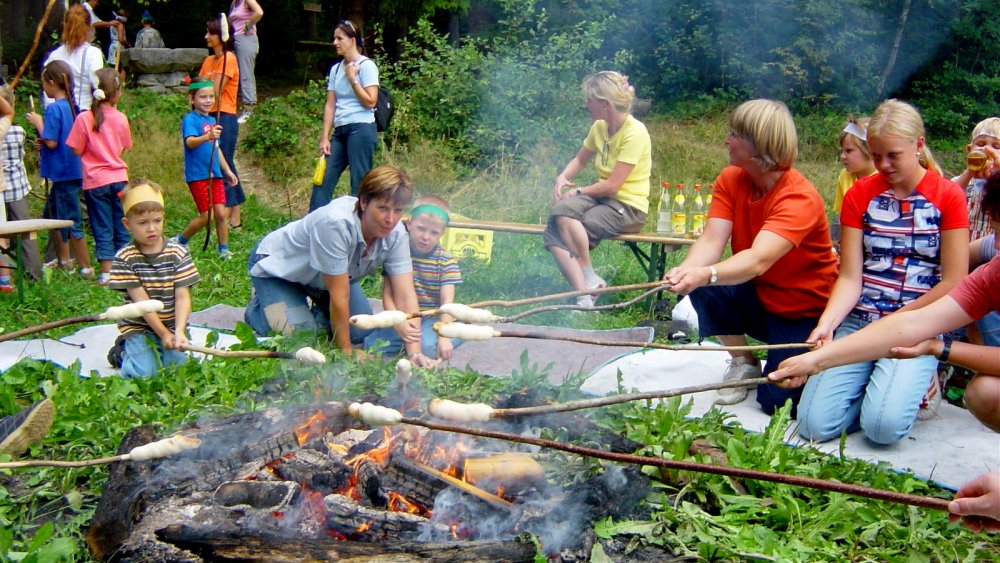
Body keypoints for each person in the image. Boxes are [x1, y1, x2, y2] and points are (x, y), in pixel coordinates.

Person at [769, 166, 1000, 434]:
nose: (995, 247)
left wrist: (939, 348)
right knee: (814, 425)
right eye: (995, 232)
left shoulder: (945, 196)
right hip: (866, 317)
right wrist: (815, 360)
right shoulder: (993, 272)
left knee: (983, 393)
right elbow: (915, 323)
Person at [793, 99, 969, 445]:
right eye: (875, 156)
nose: (883, 165)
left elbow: (954, 281)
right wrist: (827, 324)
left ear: (918, 145)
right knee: (813, 427)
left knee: (882, 430)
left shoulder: (947, 196)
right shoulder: (860, 195)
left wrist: (899, 322)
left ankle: (918, 385)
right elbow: (850, 277)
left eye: (893, 155)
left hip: (915, 327)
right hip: (860, 321)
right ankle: (883, 384)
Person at [664, 99, 837, 414]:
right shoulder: (732, 178)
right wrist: (687, 271)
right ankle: (744, 362)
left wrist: (708, 273)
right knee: (703, 283)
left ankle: (827, 357)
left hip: (801, 311)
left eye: (734, 134)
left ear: (759, 145)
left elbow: (758, 259)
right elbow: (712, 238)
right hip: (759, 296)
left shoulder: (799, 197)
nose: (726, 140)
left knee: (776, 404)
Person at [245, 165, 431, 366]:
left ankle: (312, 311)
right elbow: (339, 295)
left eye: (398, 210)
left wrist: (414, 353)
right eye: (383, 208)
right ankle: (258, 310)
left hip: (324, 279)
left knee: (360, 331)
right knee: (300, 337)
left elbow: (405, 294)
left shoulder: (397, 235)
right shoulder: (335, 224)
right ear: (364, 202)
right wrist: (346, 351)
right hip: (279, 270)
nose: (390, 219)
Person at [546, 71, 651, 308]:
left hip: (628, 206)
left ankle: (585, 292)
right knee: (560, 214)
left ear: (604, 104)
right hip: (603, 199)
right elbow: (580, 159)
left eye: (589, 100)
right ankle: (588, 286)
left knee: (564, 228)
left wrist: (579, 191)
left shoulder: (635, 132)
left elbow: (614, 184)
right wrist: (563, 177)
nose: (585, 105)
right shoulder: (599, 127)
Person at [106, 180, 198, 377]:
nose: (151, 228)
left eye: (157, 221)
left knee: (179, 370)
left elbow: (183, 297)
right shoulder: (125, 258)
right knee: (146, 374)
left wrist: (178, 331)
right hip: (140, 325)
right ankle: (122, 352)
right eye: (142, 223)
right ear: (127, 224)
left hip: (173, 324)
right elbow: (143, 304)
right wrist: (162, 334)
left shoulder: (178, 253)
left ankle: (156, 346)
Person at [364, 194, 464, 363]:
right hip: (403, 316)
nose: (426, 237)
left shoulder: (446, 261)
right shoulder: (398, 253)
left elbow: (447, 302)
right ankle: (407, 342)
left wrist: (444, 335)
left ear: (442, 233)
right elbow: (387, 295)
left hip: (433, 318)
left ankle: (458, 331)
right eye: (421, 228)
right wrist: (397, 323)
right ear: (409, 224)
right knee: (373, 345)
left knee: (429, 347)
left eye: (434, 232)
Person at [25, 60, 93, 277]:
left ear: (52, 83)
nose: (43, 88)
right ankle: (63, 260)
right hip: (74, 170)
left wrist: (38, 123)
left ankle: (82, 266)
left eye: (44, 83)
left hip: (62, 173)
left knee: (68, 218)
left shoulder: (54, 109)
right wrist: (42, 141)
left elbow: (53, 141)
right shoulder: (74, 108)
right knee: (55, 214)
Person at [66, 68, 132, 286]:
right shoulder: (121, 117)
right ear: (116, 93)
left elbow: (75, 149)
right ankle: (126, 270)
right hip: (119, 178)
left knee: (101, 224)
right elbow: (124, 147)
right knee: (122, 223)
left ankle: (106, 272)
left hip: (95, 181)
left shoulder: (85, 117)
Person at [310, 19, 379, 210]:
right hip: (340, 132)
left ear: (352, 40)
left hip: (362, 128)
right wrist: (325, 137)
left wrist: (352, 79)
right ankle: (312, 225)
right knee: (322, 179)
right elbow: (330, 105)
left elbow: (371, 101)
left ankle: (358, 229)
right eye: (334, 38)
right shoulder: (335, 68)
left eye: (339, 38)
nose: (335, 42)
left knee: (359, 183)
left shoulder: (367, 66)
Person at [173, 77, 239, 259]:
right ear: (192, 99)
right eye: (203, 97)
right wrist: (208, 135)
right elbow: (191, 142)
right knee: (206, 215)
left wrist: (227, 170)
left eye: (211, 97)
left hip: (215, 174)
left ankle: (223, 249)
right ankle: (180, 240)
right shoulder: (190, 120)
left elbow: (216, 149)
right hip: (198, 175)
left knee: (220, 213)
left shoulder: (212, 119)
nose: (208, 101)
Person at [199, 17, 245, 231]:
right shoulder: (209, 61)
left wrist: (200, 89)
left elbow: (213, 91)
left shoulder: (229, 59)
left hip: (224, 115)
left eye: (210, 33)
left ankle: (233, 212)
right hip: (208, 116)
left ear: (221, 36)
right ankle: (229, 208)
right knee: (215, 162)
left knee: (224, 160)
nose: (207, 37)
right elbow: (198, 90)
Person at [0, 87, 43, 286]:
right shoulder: (18, 131)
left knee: (3, 235)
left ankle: (5, 277)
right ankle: (33, 274)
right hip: (16, 187)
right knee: (25, 231)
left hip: (3, 188)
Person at [42, 5, 104, 111]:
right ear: (89, 27)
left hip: (57, 115)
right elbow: (99, 88)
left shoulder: (54, 55)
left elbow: (47, 90)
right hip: (83, 116)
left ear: (65, 25)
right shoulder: (93, 54)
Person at [952, 117, 1000, 242]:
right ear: (970, 149)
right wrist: (969, 171)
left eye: (996, 146)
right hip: (962, 247)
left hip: (990, 251)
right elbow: (949, 196)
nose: (987, 150)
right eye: (981, 144)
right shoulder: (962, 180)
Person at [832, 117, 876, 216]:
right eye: (842, 151)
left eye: (849, 151)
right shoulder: (845, 175)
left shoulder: (884, 178)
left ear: (869, 150)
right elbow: (841, 215)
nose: (842, 156)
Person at [229, 0, 263, 123]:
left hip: (247, 38)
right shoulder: (234, 3)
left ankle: (250, 109)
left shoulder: (247, 1)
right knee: (238, 74)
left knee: (246, 74)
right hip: (237, 39)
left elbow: (259, 12)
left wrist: (247, 25)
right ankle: (244, 108)